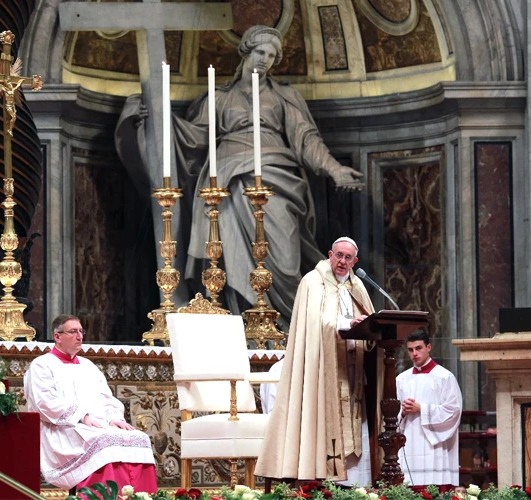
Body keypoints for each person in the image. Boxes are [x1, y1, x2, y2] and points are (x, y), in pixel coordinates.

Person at [116, 26, 363, 323]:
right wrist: (154, 118)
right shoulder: (219, 98)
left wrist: (334, 169)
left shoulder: (285, 96)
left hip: (276, 177)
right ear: (246, 51)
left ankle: (288, 324)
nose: (265, 60)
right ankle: (237, 320)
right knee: (225, 254)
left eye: (272, 55)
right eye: (260, 52)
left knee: (284, 261)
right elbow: (193, 138)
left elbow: (307, 139)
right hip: (225, 179)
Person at [256, 236, 374, 485]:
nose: (342, 261)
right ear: (330, 255)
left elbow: (371, 321)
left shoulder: (358, 286)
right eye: (338, 255)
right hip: (323, 370)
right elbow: (313, 323)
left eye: (348, 257)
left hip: (353, 368)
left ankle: (353, 483)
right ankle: (321, 478)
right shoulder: (313, 281)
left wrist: (369, 332)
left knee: (354, 421)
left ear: (355, 261)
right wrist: (346, 324)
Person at [24, 315, 157, 492]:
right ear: (57, 337)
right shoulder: (42, 365)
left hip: (96, 425)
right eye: (73, 332)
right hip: (62, 429)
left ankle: (139, 495)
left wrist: (113, 418)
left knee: (139, 438)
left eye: (81, 331)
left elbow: (106, 398)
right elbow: (45, 404)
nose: (79, 336)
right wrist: (82, 416)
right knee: (105, 441)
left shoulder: (88, 365)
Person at [396, 331, 462, 486]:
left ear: (429, 347)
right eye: (410, 350)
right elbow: (393, 413)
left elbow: (453, 411)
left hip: (435, 444)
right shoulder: (401, 379)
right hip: (409, 441)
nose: (414, 353)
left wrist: (422, 409)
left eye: (418, 348)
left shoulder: (445, 377)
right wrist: (403, 412)